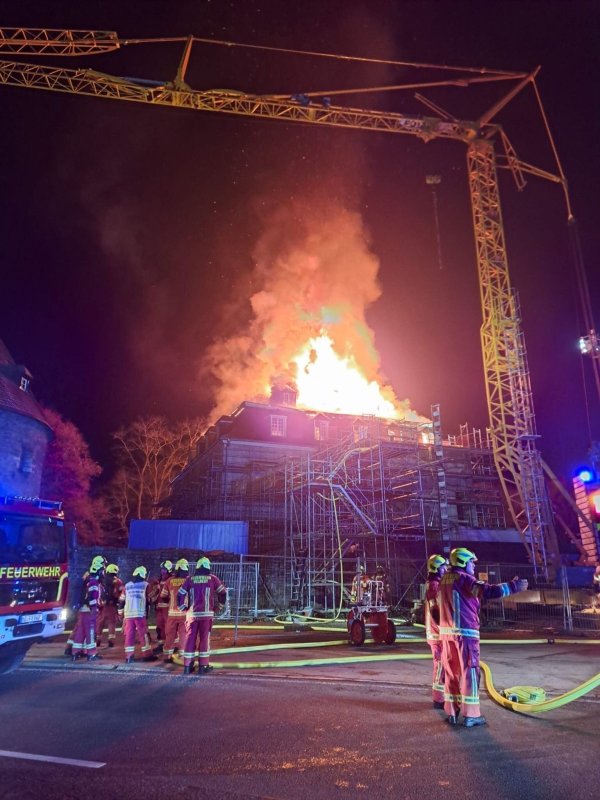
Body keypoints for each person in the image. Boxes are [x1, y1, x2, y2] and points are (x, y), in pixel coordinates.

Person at [439, 547, 528, 727]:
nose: (473, 565)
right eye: (471, 562)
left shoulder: (444, 581)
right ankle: (471, 714)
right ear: (463, 562)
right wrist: (513, 587)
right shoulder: (464, 579)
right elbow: (487, 591)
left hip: (446, 635)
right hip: (465, 634)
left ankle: (452, 712)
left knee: (451, 673)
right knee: (470, 672)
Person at [177, 557, 227, 675]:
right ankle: (202, 666)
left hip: (192, 615)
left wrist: (183, 608)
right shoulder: (213, 579)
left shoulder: (190, 579)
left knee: (190, 639)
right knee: (204, 640)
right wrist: (218, 607)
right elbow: (223, 593)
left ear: (198, 567)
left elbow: (180, 594)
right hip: (206, 616)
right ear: (208, 567)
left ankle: (187, 666)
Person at [118, 566, 158, 664]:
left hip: (128, 615)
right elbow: (151, 598)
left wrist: (120, 613)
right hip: (140, 614)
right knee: (143, 635)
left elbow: (121, 601)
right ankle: (147, 655)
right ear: (143, 575)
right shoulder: (145, 585)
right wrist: (157, 590)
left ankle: (129, 657)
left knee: (129, 635)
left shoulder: (127, 586)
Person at [69, 555, 105, 662]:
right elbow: (92, 597)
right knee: (91, 632)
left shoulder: (87, 579)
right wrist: (95, 607)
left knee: (80, 631)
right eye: (102, 570)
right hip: (90, 610)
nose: (103, 572)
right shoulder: (94, 582)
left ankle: (75, 653)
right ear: (98, 570)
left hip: (82, 609)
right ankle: (91, 654)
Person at [424, 554, 449, 709]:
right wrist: (444, 625)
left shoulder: (435, 583)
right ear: (436, 568)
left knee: (443, 665)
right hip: (437, 634)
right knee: (439, 665)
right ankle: (438, 699)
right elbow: (435, 610)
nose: (445, 569)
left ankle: (442, 696)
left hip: (438, 633)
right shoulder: (434, 585)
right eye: (443, 567)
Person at [161, 558, 189, 663]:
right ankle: (182, 657)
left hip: (172, 614)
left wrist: (171, 601)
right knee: (183, 635)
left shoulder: (169, 581)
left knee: (170, 635)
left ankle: (167, 657)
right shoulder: (188, 580)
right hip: (184, 613)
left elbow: (163, 595)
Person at [148, 560, 174, 652]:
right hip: (159, 608)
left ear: (169, 570)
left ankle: (171, 645)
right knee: (159, 628)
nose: (162, 571)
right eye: (162, 569)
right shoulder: (159, 580)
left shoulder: (171, 579)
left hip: (168, 608)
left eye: (164, 569)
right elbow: (156, 594)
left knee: (169, 628)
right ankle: (161, 645)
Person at [96, 564, 123, 647]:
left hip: (102, 605)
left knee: (100, 623)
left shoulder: (102, 580)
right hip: (112, 605)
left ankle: (97, 640)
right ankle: (111, 641)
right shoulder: (118, 581)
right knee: (112, 623)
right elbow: (118, 593)